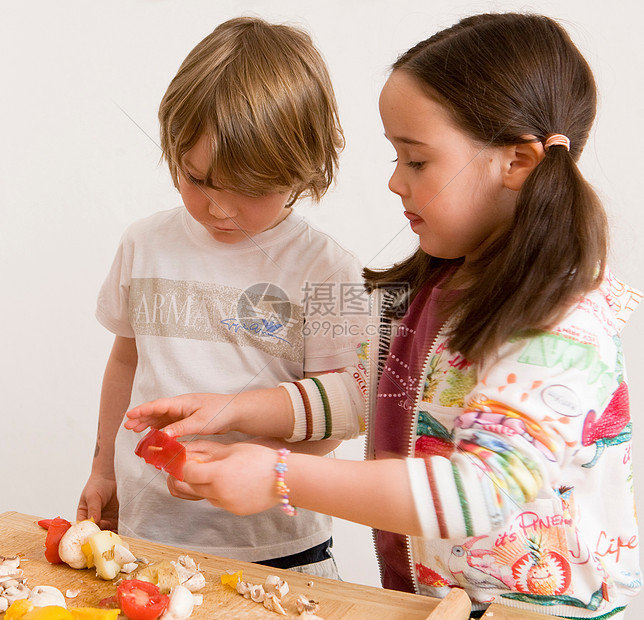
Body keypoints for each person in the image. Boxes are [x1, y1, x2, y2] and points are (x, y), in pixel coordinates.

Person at [125, 12, 642, 619]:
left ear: (518, 163)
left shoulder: (559, 322)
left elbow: (479, 491)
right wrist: (237, 409)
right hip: (441, 601)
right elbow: (369, 393)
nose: (395, 182)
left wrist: (279, 475)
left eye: (416, 161)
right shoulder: (444, 285)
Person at [77, 16, 367, 579]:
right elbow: (125, 360)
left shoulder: (329, 269)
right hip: (149, 534)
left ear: (303, 169)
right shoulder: (144, 243)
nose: (220, 209)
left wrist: (265, 473)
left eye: (251, 191)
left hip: (278, 548)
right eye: (198, 179)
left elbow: (345, 409)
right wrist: (104, 469)